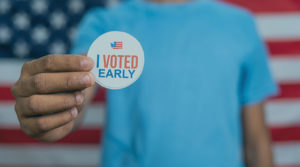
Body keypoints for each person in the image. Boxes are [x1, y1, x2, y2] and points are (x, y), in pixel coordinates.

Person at [11, 0, 278, 166]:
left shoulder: (239, 24)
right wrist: (54, 109)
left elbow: (256, 141)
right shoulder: (106, 22)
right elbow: (79, 85)